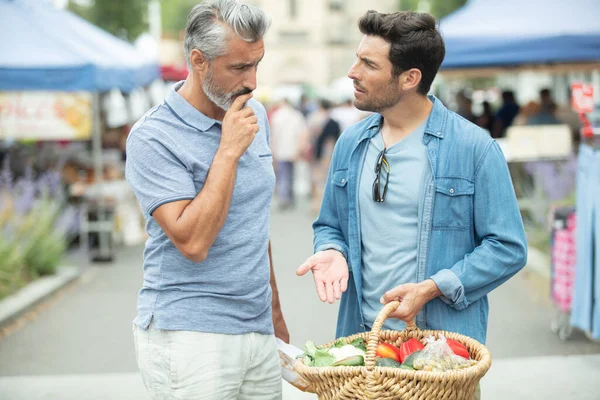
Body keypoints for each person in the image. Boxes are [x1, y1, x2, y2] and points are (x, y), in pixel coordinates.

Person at [297, 11, 527, 399]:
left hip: (440, 359)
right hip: (364, 352)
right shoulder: (351, 144)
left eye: (369, 64)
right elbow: (330, 224)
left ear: (410, 78)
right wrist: (332, 250)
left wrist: (434, 287)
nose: (353, 72)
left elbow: (508, 246)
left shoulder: (473, 148)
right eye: (357, 59)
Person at [125, 1, 288, 399]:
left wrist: (276, 317)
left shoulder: (255, 115)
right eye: (238, 68)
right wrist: (227, 151)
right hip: (190, 333)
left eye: (257, 63)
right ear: (198, 61)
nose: (252, 81)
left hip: (257, 328)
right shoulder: (153, 136)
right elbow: (193, 242)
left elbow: (254, 224)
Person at [270, 98, 308, 209]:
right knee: (290, 174)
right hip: (293, 149)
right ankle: (289, 196)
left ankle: (284, 197)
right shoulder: (296, 115)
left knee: (282, 174)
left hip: (281, 149)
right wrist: (300, 148)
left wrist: (273, 149)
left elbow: (274, 135)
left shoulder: (277, 116)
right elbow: (303, 132)